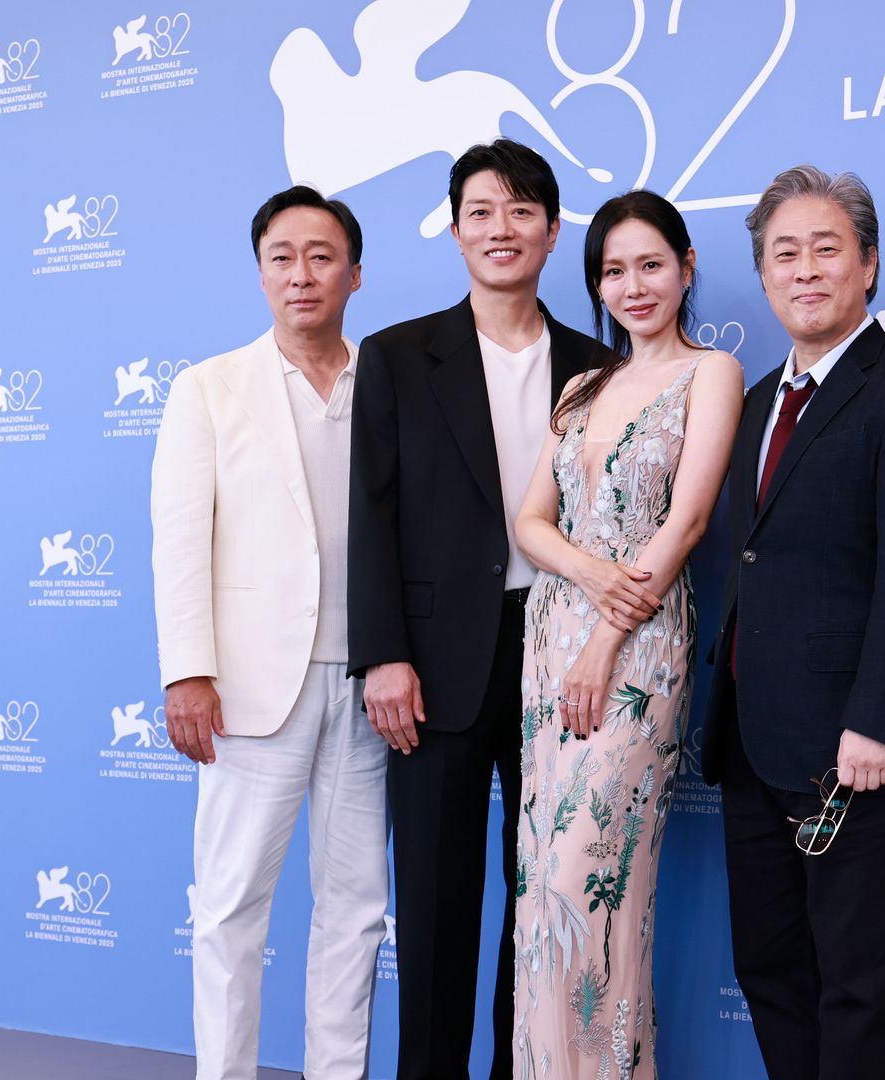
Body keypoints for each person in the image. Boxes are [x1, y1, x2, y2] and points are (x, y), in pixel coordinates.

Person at [348, 138, 613, 1079]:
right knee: (434, 903)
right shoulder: (395, 355)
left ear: (550, 230)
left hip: (562, 655)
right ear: (456, 229)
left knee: (545, 899)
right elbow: (369, 518)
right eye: (481, 213)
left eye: (522, 212)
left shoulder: (597, 364)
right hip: (431, 660)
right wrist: (382, 654)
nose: (501, 230)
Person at [700, 165, 885, 1080]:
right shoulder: (749, 405)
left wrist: (877, 720)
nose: (804, 270)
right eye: (784, 253)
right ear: (764, 274)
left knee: (860, 990)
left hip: (856, 752)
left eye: (827, 249)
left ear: (869, 264)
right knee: (773, 973)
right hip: (751, 743)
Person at [151, 185, 385, 1080]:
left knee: (357, 906)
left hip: (367, 687)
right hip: (249, 689)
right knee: (230, 906)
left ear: (355, 274)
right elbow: (179, 539)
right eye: (282, 258)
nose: (302, 274)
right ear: (259, 274)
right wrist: (188, 672)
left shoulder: (387, 382)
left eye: (321, 257)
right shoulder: (208, 388)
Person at [508, 191, 742, 1077]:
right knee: (541, 892)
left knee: (590, 888)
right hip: (553, 639)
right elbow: (530, 523)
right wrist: (586, 578)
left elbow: (682, 528)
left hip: (635, 652)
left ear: (685, 267)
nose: (634, 286)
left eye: (651, 265)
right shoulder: (582, 385)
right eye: (613, 271)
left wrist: (606, 638)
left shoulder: (710, 372)